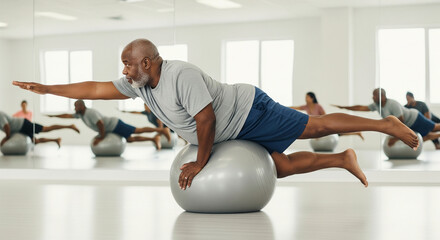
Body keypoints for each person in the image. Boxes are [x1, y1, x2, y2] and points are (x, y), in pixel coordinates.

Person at [13, 38, 421, 190]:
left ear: (150, 63)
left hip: (248, 112)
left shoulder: (180, 76)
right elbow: (95, 89)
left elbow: (204, 121)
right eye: (122, 65)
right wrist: (48, 88)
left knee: (314, 127)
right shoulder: (137, 84)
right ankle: (342, 160)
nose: (123, 71)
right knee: (278, 169)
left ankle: (385, 123)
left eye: (129, 64)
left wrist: (199, 162)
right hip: (229, 129)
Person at [333, 88, 440, 147]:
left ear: (382, 96)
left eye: (374, 95)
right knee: (426, 136)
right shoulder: (376, 105)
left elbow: (401, 123)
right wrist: (344, 107)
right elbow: (361, 107)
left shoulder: (392, 104)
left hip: (415, 118)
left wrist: (395, 138)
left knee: (435, 127)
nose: (372, 97)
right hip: (409, 124)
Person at [48, 100, 171, 150]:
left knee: (136, 130)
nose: (74, 109)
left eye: (76, 106)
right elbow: (67, 116)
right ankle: (153, 138)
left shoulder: (90, 113)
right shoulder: (80, 114)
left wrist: (101, 137)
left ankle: (161, 131)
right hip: (111, 128)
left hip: (115, 124)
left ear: (81, 106)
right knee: (129, 139)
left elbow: (100, 124)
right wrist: (53, 116)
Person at [290, 92, 364, 140]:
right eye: (305, 97)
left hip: (322, 123)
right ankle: (357, 133)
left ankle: (357, 132)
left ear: (312, 98)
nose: (305, 99)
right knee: (338, 134)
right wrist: (283, 108)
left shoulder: (318, 106)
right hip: (315, 125)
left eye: (307, 97)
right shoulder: (305, 106)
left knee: (339, 133)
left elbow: (325, 115)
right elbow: (295, 107)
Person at [0, 111, 79, 147]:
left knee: (46, 129)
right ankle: (56, 140)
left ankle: (70, 126)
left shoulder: (0, 114)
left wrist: (7, 138)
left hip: (24, 124)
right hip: (19, 130)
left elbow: (7, 127)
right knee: (35, 141)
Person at [121, 104, 187, 144]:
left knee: (177, 134)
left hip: (165, 126)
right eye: (144, 106)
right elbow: (136, 112)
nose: (145, 108)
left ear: (149, 106)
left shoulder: (154, 112)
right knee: (177, 135)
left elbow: (160, 120)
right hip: (159, 128)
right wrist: (126, 111)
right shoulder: (146, 113)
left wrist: (161, 130)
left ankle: (185, 140)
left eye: (146, 106)